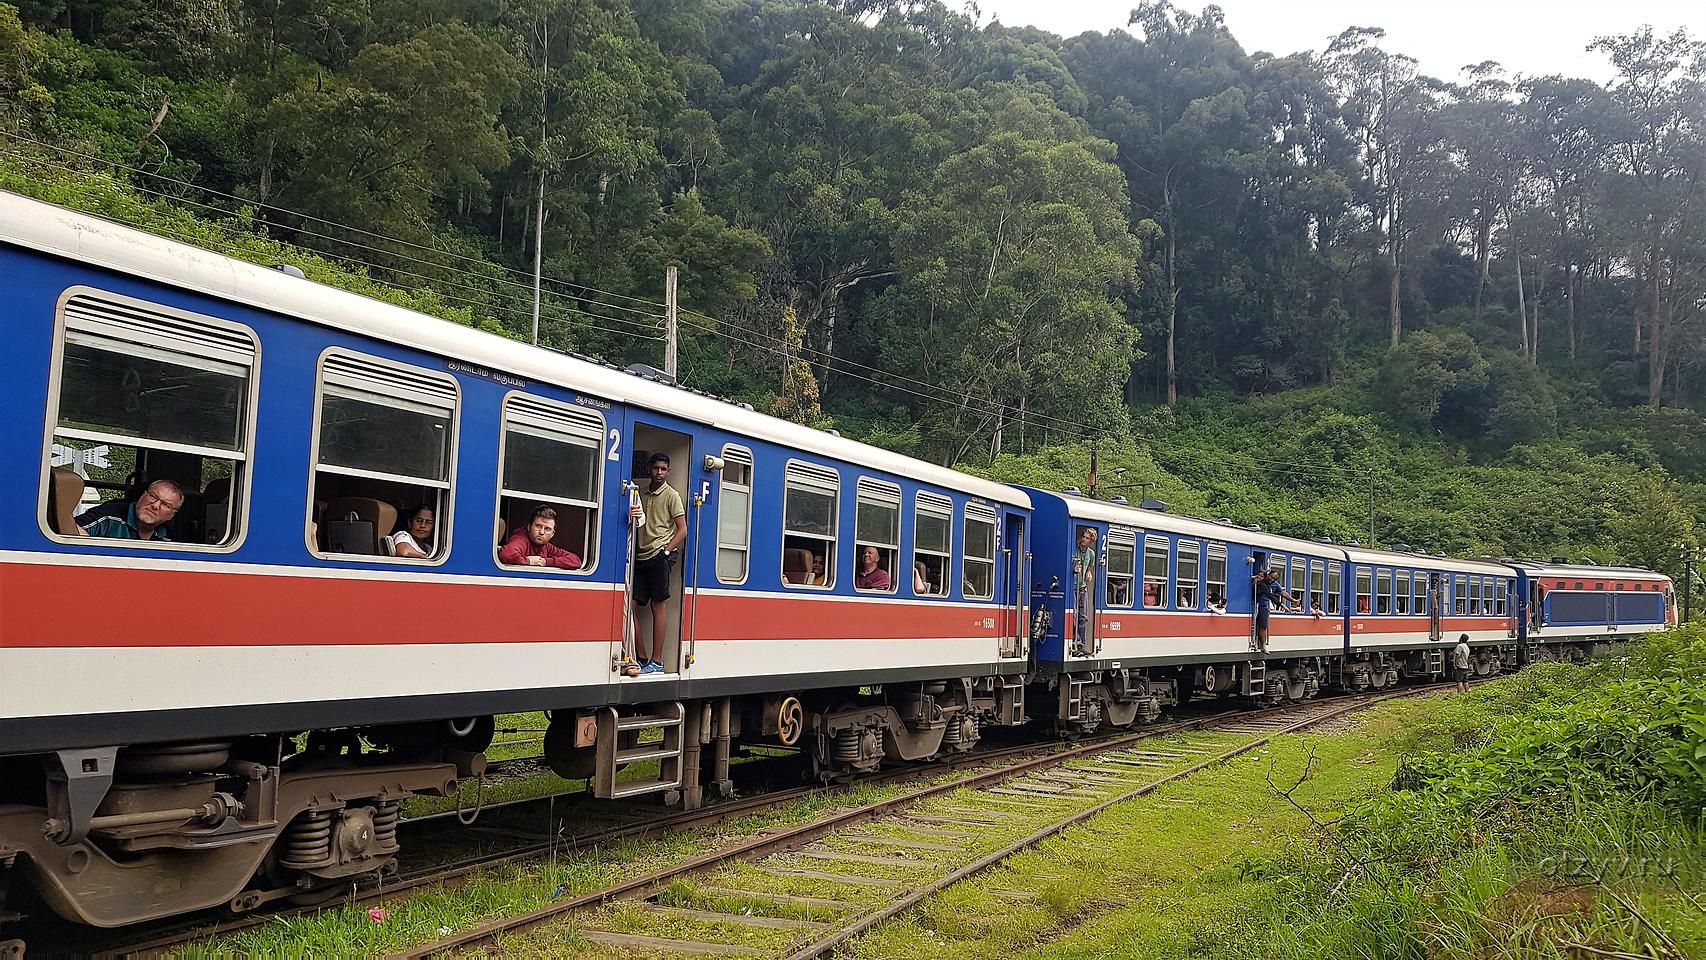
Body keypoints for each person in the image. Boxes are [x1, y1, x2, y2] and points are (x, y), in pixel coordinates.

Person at [629, 452, 687, 676]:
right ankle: (642, 657)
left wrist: (666, 551)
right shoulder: (641, 494)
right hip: (640, 556)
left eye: (663, 469)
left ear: (668, 471)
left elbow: (682, 529)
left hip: (659, 556)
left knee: (657, 607)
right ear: (650, 470)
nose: (659, 473)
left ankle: (657, 661)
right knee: (629, 607)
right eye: (656, 468)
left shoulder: (672, 495)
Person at [75, 479, 184, 541]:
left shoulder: (168, 536)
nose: (155, 505)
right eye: (153, 496)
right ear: (142, 495)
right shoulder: (108, 515)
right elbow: (67, 530)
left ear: (172, 515)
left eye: (165, 504)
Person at [499, 506, 582, 569]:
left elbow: (575, 561)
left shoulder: (547, 546)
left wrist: (545, 562)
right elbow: (506, 554)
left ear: (552, 534)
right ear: (529, 527)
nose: (542, 532)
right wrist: (529, 561)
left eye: (547, 529)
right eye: (538, 526)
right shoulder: (520, 539)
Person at [1072, 526, 1098, 655]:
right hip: (1072, 586)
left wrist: (1089, 573)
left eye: (1087, 538)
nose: (1083, 539)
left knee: (1084, 617)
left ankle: (1081, 644)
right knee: (1073, 616)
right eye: (1083, 536)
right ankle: (1073, 642)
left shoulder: (1091, 554)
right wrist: (1073, 569)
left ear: (1091, 541)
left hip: (1082, 587)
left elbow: (1091, 567)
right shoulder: (1073, 549)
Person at [1253, 568, 1285, 653]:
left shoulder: (1265, 586)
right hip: (1255, 605)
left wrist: (1281, 604)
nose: (1271, 579)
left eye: (1274, 579)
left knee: (1263, 625)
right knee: (1255, 625)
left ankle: (1262, 645)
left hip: (1263, 606)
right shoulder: (1259, 583)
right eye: (1271, 577)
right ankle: (1255, 643)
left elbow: (1270, 595)